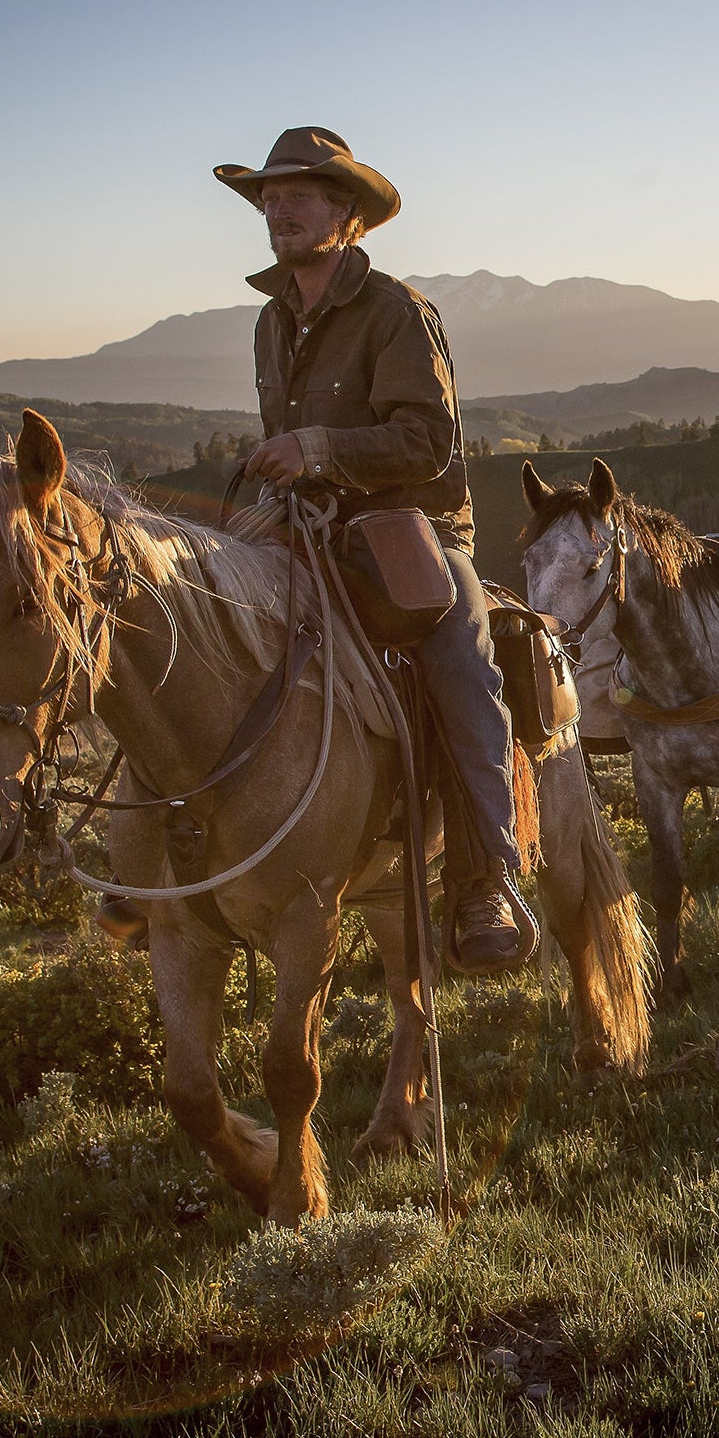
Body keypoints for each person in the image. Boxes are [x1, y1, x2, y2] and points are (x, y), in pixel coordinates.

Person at [216, 126, 523, 970]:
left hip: (407, 524)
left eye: (298, 195)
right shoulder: (269, 324)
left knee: (458, 644)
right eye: (268, 198)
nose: (278, 208)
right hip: (302, 525)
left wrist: (319, 449)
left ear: (346, 214)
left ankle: (487, 873)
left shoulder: (395, 311)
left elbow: (428, 443)